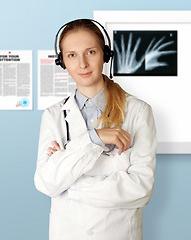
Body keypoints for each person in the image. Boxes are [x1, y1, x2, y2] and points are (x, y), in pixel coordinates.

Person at [34, 19, 157, 240]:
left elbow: (141, 189)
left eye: (90, 52)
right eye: (72, 55)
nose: (82, 64)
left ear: (105, 55)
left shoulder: (138, 112)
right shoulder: (53, 115)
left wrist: (71, 184)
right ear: (62, 61)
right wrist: (94, 138)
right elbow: (46, 183)